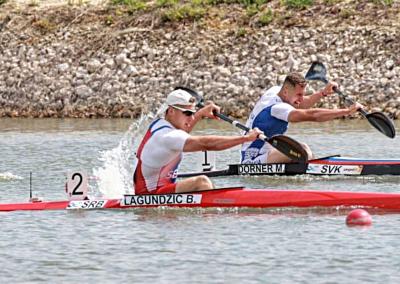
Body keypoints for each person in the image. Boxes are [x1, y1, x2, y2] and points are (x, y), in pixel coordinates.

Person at [133, 87, 262, 195]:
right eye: (187, 113)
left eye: (193, 113)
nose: (191, 118)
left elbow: (182, 132)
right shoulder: (167, 136)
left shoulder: (160, 124)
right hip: (151, 194)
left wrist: (201, 114)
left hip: (159, 191)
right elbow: (205, 144)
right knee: (202, 182)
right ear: (171, 111)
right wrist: (245, 138)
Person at [241, 72, 363, 164]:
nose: (301, 99)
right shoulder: (277, 108)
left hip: (268, 153)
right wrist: (346, 111)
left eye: (302, 95)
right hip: (253, 160)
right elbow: (312, 115)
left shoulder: (275, 90)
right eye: (299, 95)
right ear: (286, 91)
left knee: (303, 150)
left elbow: (303, 103)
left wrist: (323, 93)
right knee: (302, 152)